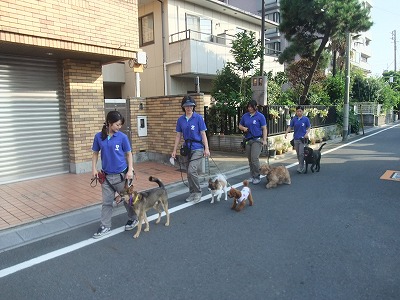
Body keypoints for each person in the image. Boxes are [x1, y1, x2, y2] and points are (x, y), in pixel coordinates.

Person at [91, 110, 138, 238]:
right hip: (106, 177)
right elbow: (95, 153)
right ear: (109, 123)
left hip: (121, 175)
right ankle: (105, 226)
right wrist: (94, 169)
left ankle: (133, 218)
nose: (119, 127)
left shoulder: (122, 137)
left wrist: (130, 170)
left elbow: (129, 154)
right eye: (117, 124)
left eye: (120, 125)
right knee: (106, 202)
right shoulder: (99, 137)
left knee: (127, 200)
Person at [171, 95, 210, 203]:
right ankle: (192, 193)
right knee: (188, 173)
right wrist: (174, 150)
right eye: (186, 106)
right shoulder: (180, 120)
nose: (189, 108)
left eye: (191, 106)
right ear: (183, 107)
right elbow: (178, 135)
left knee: (192, 170)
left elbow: (203, 134)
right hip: (187, 148)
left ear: (194, 106)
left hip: (197, 148)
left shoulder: (198, 118)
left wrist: (206, 148)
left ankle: (198, 192)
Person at [238, 100, 268, 185]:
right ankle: (252, 175)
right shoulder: (245, 116)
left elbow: (264, 128)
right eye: (249, 107)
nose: (250, 108)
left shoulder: (260, 116)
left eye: (251, 107)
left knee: (254, 158)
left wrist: (264, 140)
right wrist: (243, 128)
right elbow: (240, 125)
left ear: (255, 107)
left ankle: (257, 176)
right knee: (250, 159)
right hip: (248, 139)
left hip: (257, 139)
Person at [284, 105, 311, 173]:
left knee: (301, 153)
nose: (299, 112)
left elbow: (309, 127)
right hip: (296, 138)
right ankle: (300, 163)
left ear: (303, 111)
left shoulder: (305, 119)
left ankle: (301, 166)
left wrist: (306, 134)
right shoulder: (294, 119)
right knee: (298, 153)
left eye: (300, 111)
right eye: (297, 111)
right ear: (296, 112)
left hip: (302, 139)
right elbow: (290, 126)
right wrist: (286, 132)